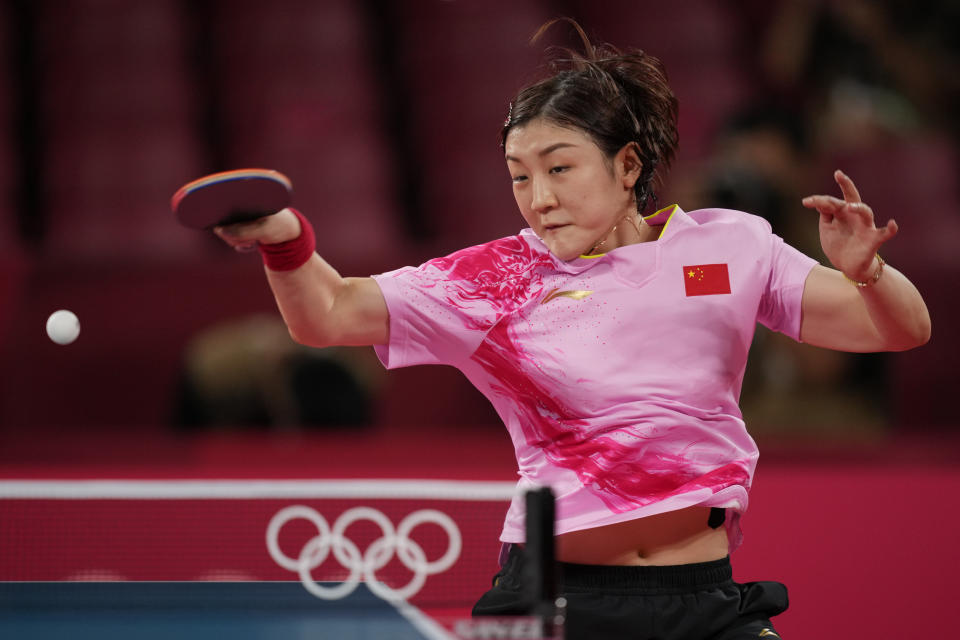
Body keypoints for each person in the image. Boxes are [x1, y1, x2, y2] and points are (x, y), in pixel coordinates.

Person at [211, 19, 930, 640]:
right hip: (557, 603)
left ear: (627, 166)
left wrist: (869, 272)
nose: (539, 198)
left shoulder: (731, 247)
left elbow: (897, 330)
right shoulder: (495, 282)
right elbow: (328, 314)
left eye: (559, 168)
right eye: (519, 176)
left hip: (706, 601)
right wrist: (285, 238)